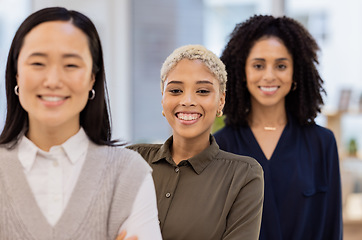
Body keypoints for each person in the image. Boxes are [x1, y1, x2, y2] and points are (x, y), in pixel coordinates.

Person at [0, 7, 162, 240]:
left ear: (92, 79)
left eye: (71, 65)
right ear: (16, 74)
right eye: (38, 63)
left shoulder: (128, 173)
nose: (53, 80)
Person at [214, 15, 342, 240]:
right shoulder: (220, 145)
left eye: (281, 65)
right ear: (243, 73)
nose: (269, 75)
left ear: (295, 74)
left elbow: (332, 227)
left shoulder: (322, 143)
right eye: (258, 65)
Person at [128, 44, 264, 240]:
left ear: (221, 101)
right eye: (175, 90)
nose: (188, 100)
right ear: (163, 100)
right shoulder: (132, 160)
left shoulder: (243, 176)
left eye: (202, 91)